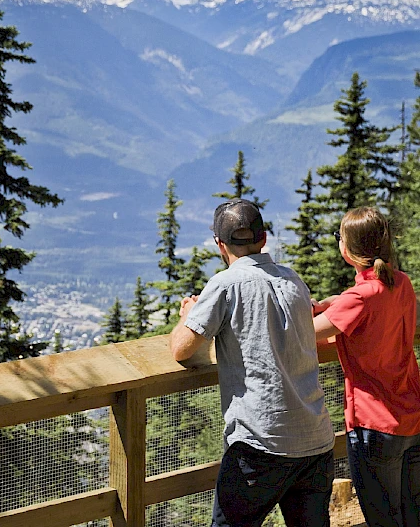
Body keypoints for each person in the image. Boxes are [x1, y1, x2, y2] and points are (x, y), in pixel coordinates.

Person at [170, 198, 335, 527]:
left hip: (260, 443)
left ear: (220, 244)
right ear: (263, 239)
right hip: (316, 440)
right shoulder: (293, 280)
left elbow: (182, 350)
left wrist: (189, 315)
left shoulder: (224, 285)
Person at [313, 206, 420, 526]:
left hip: (375, 424)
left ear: (346, 250)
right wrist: (339, 300)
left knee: (383, 519)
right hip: (412, 416)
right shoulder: (401, 283)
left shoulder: (359, 298)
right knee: (413, 514)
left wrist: (308, 306)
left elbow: (300, 335)